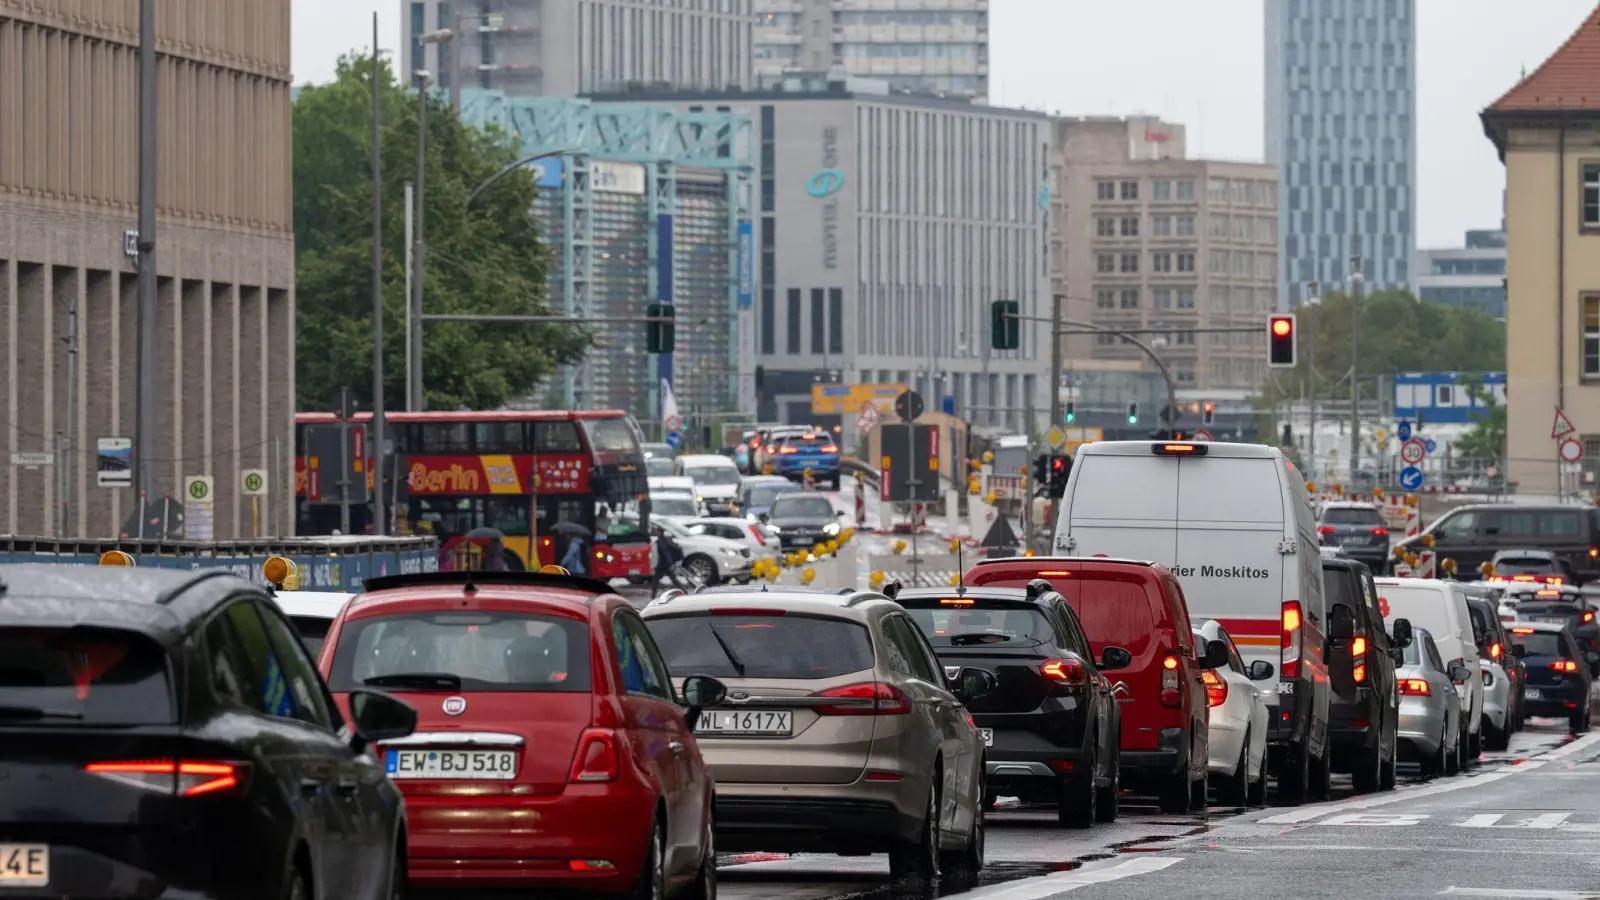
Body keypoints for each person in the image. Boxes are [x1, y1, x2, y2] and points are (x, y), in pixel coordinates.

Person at [650, 525, 689, 594]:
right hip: (666, 563)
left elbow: (666, 553)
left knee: (656, 580)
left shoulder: (661, 541)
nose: (654, 532)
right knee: (673, 580)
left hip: (664, 564)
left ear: (659, 532)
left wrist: (670, 564)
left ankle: (653, 595)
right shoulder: (666, 539)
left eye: (656, 531)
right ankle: (685, 592)